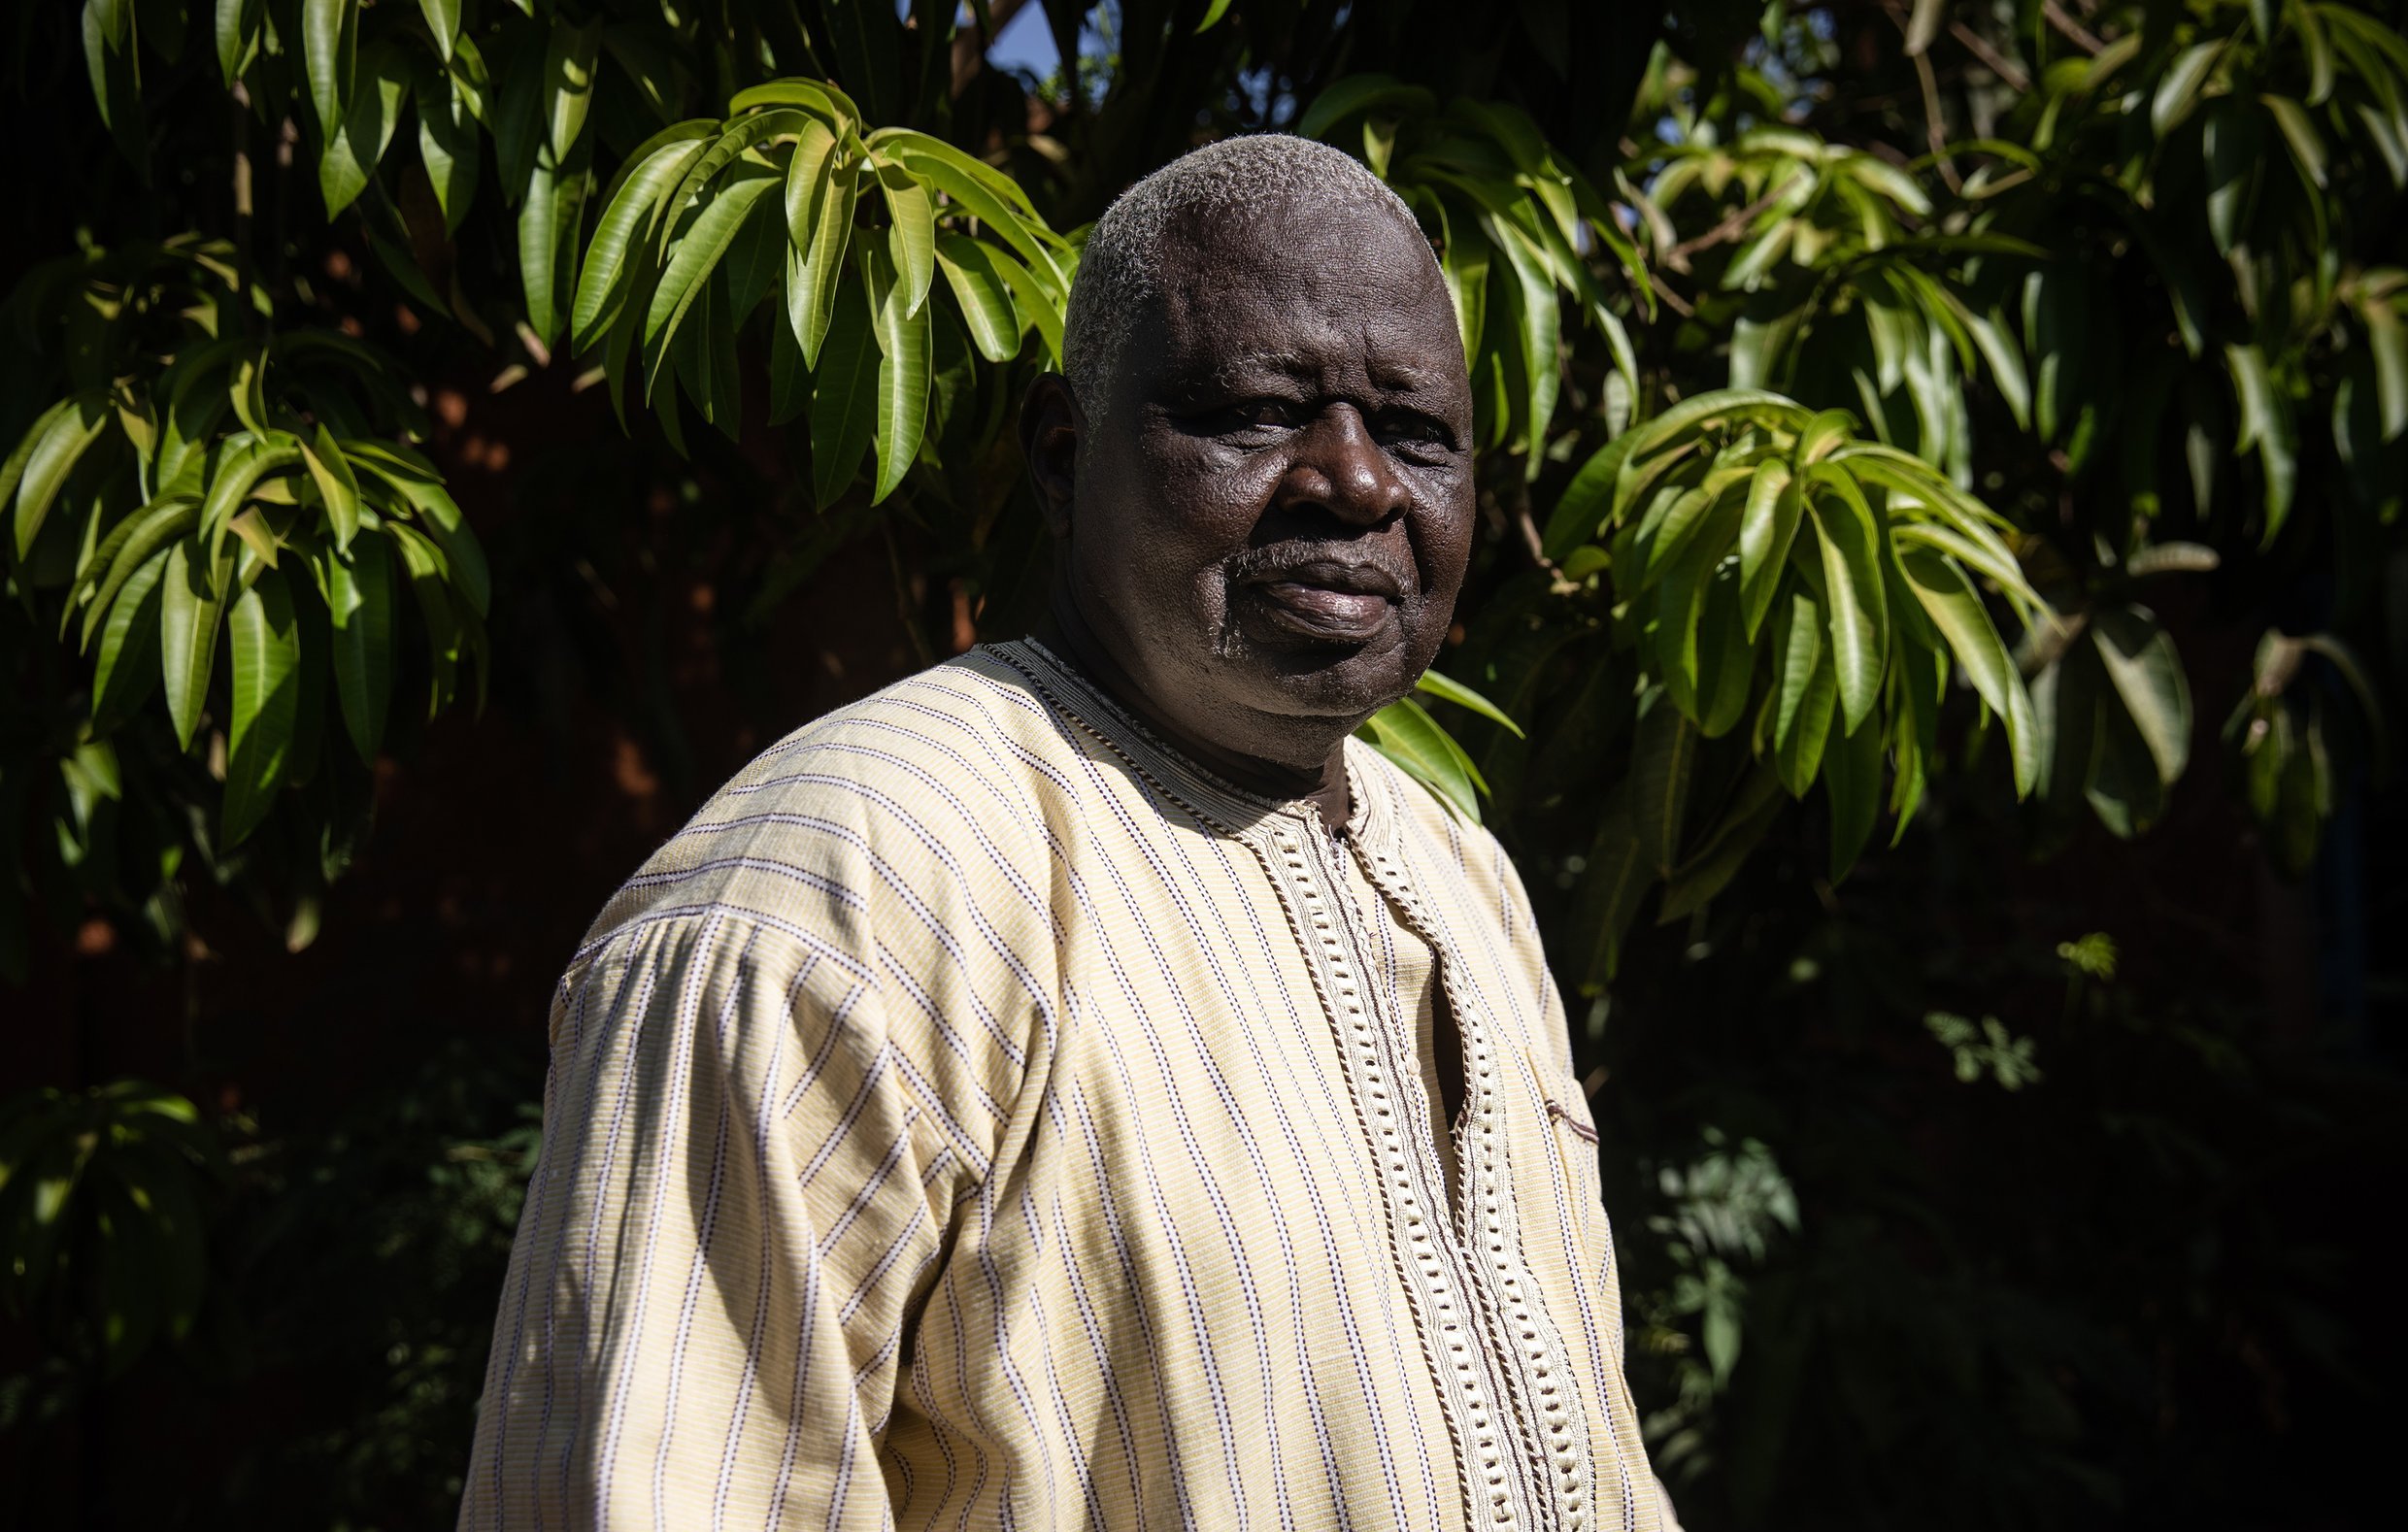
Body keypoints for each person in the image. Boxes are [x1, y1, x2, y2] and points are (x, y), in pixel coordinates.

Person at [459, 134, 1673, 1532]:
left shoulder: (1461, 877)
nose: (1354, 483)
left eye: (1415, 435)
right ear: (1060, 453)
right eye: (1255, 412)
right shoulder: (836, 893)